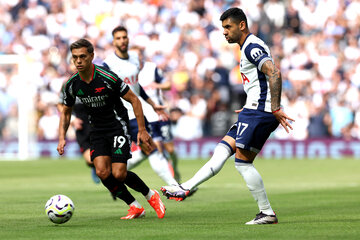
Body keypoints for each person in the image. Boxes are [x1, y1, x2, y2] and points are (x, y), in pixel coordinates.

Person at [161, 7, 294, 225]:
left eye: (228, 27)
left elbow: (274, 72)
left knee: (242, 163)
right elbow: (259, 81)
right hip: (254, 109)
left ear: (241, 25)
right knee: (222, 149)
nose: (224, 32)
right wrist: (252, 103)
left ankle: (267, 212)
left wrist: (274, 107)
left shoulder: (251, 46)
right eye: (223, 27)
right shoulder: (248, 47)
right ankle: (185, 187)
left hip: (260, 111)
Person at [57, 38, 166, 219]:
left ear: (91, 56)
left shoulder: (107, 77)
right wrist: (62, 137)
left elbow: (134, 99)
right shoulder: (72, 84)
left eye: (82, 56)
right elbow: (66, 112)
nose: (78, 61)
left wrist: (141, 129)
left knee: (119, 174)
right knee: (101, 171)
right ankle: (134, 206)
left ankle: (151, 195)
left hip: (117, 126)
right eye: (75, 57)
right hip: (97, 130)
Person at [102, 26, 179, 187]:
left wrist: (153, 104)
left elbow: (136, 87)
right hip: (120, 116)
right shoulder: (108, 65)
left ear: (128, 39)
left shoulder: (135, 59)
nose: (122, 40)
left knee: (149, 149)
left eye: (124, 37)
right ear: (113, 41)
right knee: (149, 149)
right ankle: (175, 187)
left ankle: (174, 186)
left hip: (137, 114)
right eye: (118, 38)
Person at [128, 46, 181, 182]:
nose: (136, 57)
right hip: (146, 117)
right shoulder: (128, 73)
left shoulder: (152, 68)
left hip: (160, 114)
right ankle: (173, 182)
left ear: (141, 55)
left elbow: (168, 85)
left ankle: (175, 169)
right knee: (157, 148)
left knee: (170, 149)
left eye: (138, 54)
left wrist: (157, 86)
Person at [57, 86, 100, 184]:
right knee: (90, 160)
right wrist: (72, 119)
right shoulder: (68, 85)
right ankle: (94, 167)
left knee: (103, 158)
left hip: (99, 125)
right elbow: (60, 105)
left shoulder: (97, 81)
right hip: (82, 128)